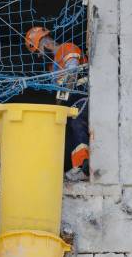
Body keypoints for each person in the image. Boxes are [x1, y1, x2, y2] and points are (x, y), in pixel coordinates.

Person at [25, 26, 90, 180]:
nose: (39, 56)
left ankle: (83, 165)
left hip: (83, 97)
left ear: (45, 43)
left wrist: (63, 97)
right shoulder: (52, 67)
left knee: (76, 121)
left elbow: (72, 71)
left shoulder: (67, 48)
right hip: (70, 104)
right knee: (63, 132)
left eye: (38, 51)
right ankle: (71, 167)